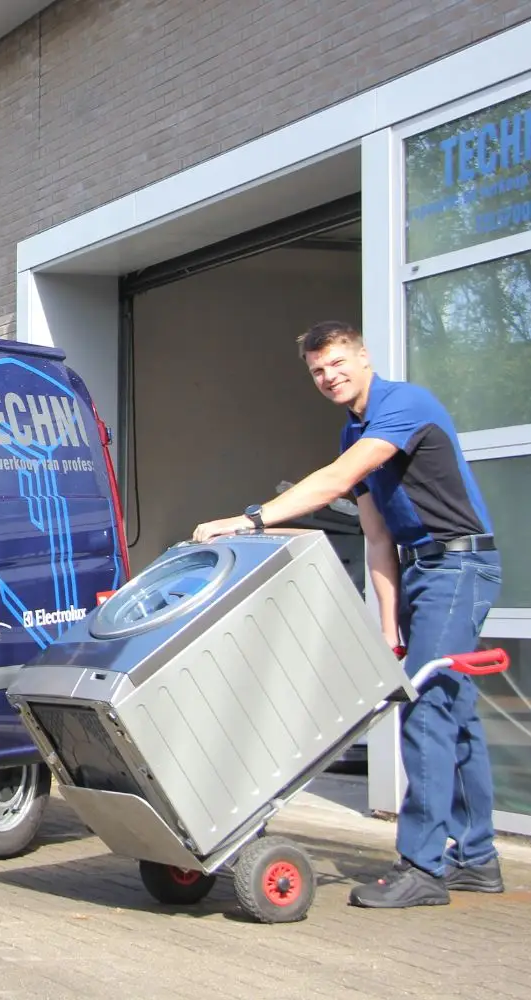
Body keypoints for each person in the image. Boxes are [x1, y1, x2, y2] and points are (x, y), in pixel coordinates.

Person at [192, 320, 504, 910]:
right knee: (454, 712)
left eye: (338, 363)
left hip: (459, 566)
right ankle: (478, 860)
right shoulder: (351, 430)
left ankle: (423, 868)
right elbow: (378, 535)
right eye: (318, 370)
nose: (329, 376)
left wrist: (251, 519)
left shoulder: (403, 405)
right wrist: (387, 623)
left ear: (363, 357)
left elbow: (337, 481)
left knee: (428, 712)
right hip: (420, 568)